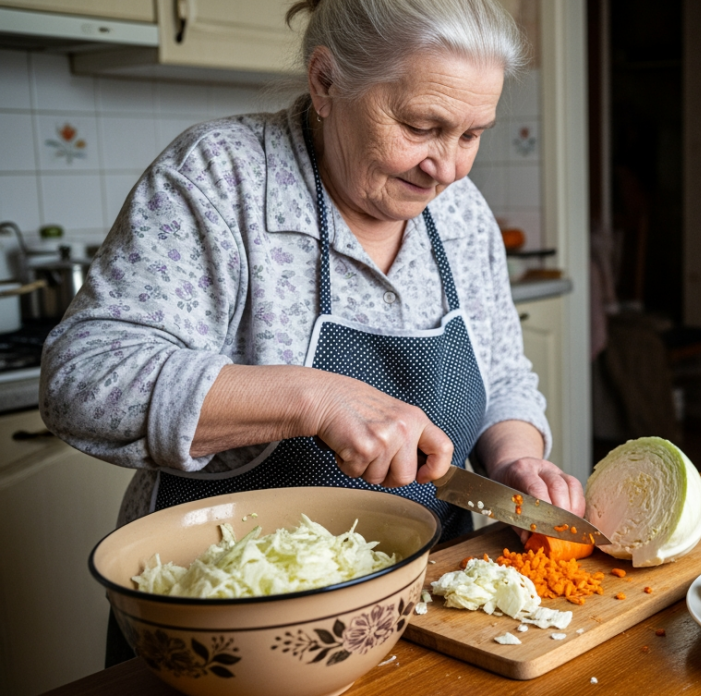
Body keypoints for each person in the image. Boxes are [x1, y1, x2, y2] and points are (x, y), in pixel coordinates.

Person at [39, 0, 583, 664]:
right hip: (229, 631)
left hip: (430, 610)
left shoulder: (461, 213)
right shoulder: (222, 177)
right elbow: (82, 379)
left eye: (471, 135)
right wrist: (314, 398)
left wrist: (515, 459)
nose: (447, 168)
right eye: (421, 127)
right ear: (326, 82)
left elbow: (501, 375)